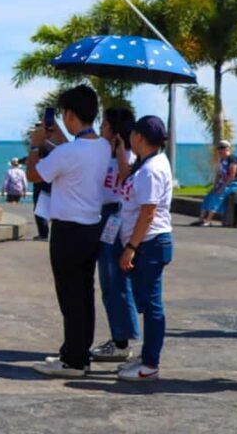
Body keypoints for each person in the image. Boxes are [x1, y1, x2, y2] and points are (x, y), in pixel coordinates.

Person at [26, 85, 111, 377]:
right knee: (84, 293)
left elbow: (34, 174)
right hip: (91, 226)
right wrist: (59, 138)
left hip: (67, 230)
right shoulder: (102, 146)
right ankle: (78, 352)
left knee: (69, 296)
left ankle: (74, 360)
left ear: (70, 114)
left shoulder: (70, 152)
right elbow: (73, 153)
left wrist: (36, 145)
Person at [115, 115, 173, 381]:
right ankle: (148, 356)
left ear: (139, 137)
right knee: (147, 301)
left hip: (149, 242)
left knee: (151, 305)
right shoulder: (146, 163)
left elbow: (148, 213)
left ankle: (150, 364)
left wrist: (131, 247)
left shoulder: (152, 169)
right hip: (146, 242)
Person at [91, 107, 140, 363]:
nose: (101, 130)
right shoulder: (103, 152)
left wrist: (120, 149)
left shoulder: (131, 156)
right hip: (103, 216)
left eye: (105, 125)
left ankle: (123, 340)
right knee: (108, 282)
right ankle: (118, 336)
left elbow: (126, 177)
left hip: (117, 217)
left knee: (116, 280)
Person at [192, 140, 237, 226]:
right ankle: (201, 219)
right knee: (209, 196)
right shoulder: (221, 160)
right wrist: (215, 186)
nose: (220, 150)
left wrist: (222, 187)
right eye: (219, 148)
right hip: (225, 182)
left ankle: (208, 220)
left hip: (235, 183)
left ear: (227, 149)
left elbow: (232, 176)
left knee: (218, 196)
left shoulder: (233, 159)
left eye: (222, 148)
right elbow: (218, 174)